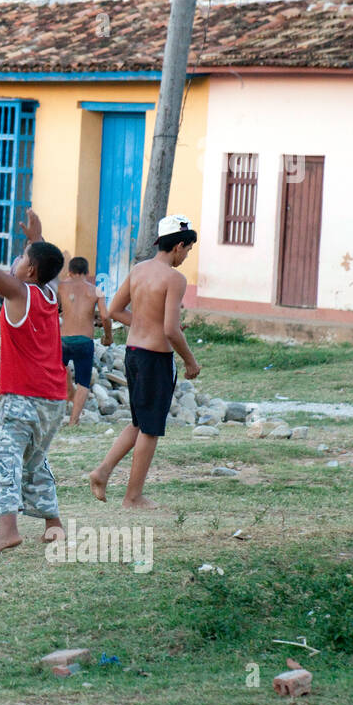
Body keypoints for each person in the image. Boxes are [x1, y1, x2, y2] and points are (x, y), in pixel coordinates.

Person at [0, 191, 68, 556]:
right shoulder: (48, 294)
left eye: (23, 257)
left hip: (23, 396)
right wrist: (37, 241)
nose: (17, 261)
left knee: (7, 457)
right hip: (53, 399)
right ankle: (53, 522)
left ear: (28, 271)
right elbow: (47, 266)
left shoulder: (20, 294)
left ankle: (7, 530)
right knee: (34, 459)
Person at [89, 215, 201, 510]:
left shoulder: (139, 270)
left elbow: (113, 309)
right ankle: (133, 496)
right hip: (155, 359)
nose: (186, 257)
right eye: (188, 250)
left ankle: (102, 472)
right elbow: (170, 330)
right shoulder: (175, 279)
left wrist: (145, 324)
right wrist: (190, 362)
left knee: (139, 422)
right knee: (151, 429)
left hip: (133, 353)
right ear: (179, 245)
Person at [58, 256, 114, 426]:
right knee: (83, 381)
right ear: (88, 273)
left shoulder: (60, 287)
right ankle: (73, 422)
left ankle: (68, 393)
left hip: (63, 338)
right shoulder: (96, 291)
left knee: (61, 369)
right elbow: (105, 316)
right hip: (84, 340)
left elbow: (53, 309)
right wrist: (108, 337)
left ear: (69, 271)